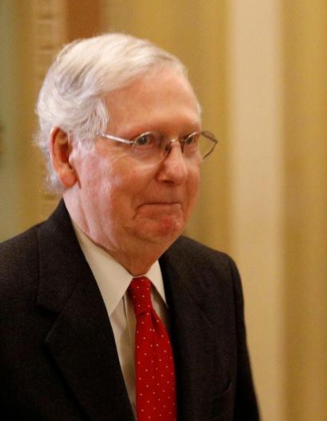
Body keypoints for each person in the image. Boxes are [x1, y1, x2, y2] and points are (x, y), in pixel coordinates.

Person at [0, 33, 259, 420]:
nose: (176, 170)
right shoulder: (9, 297)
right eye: (144, 141)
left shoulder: (214, 279)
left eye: (188, 142)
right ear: (67, 155)